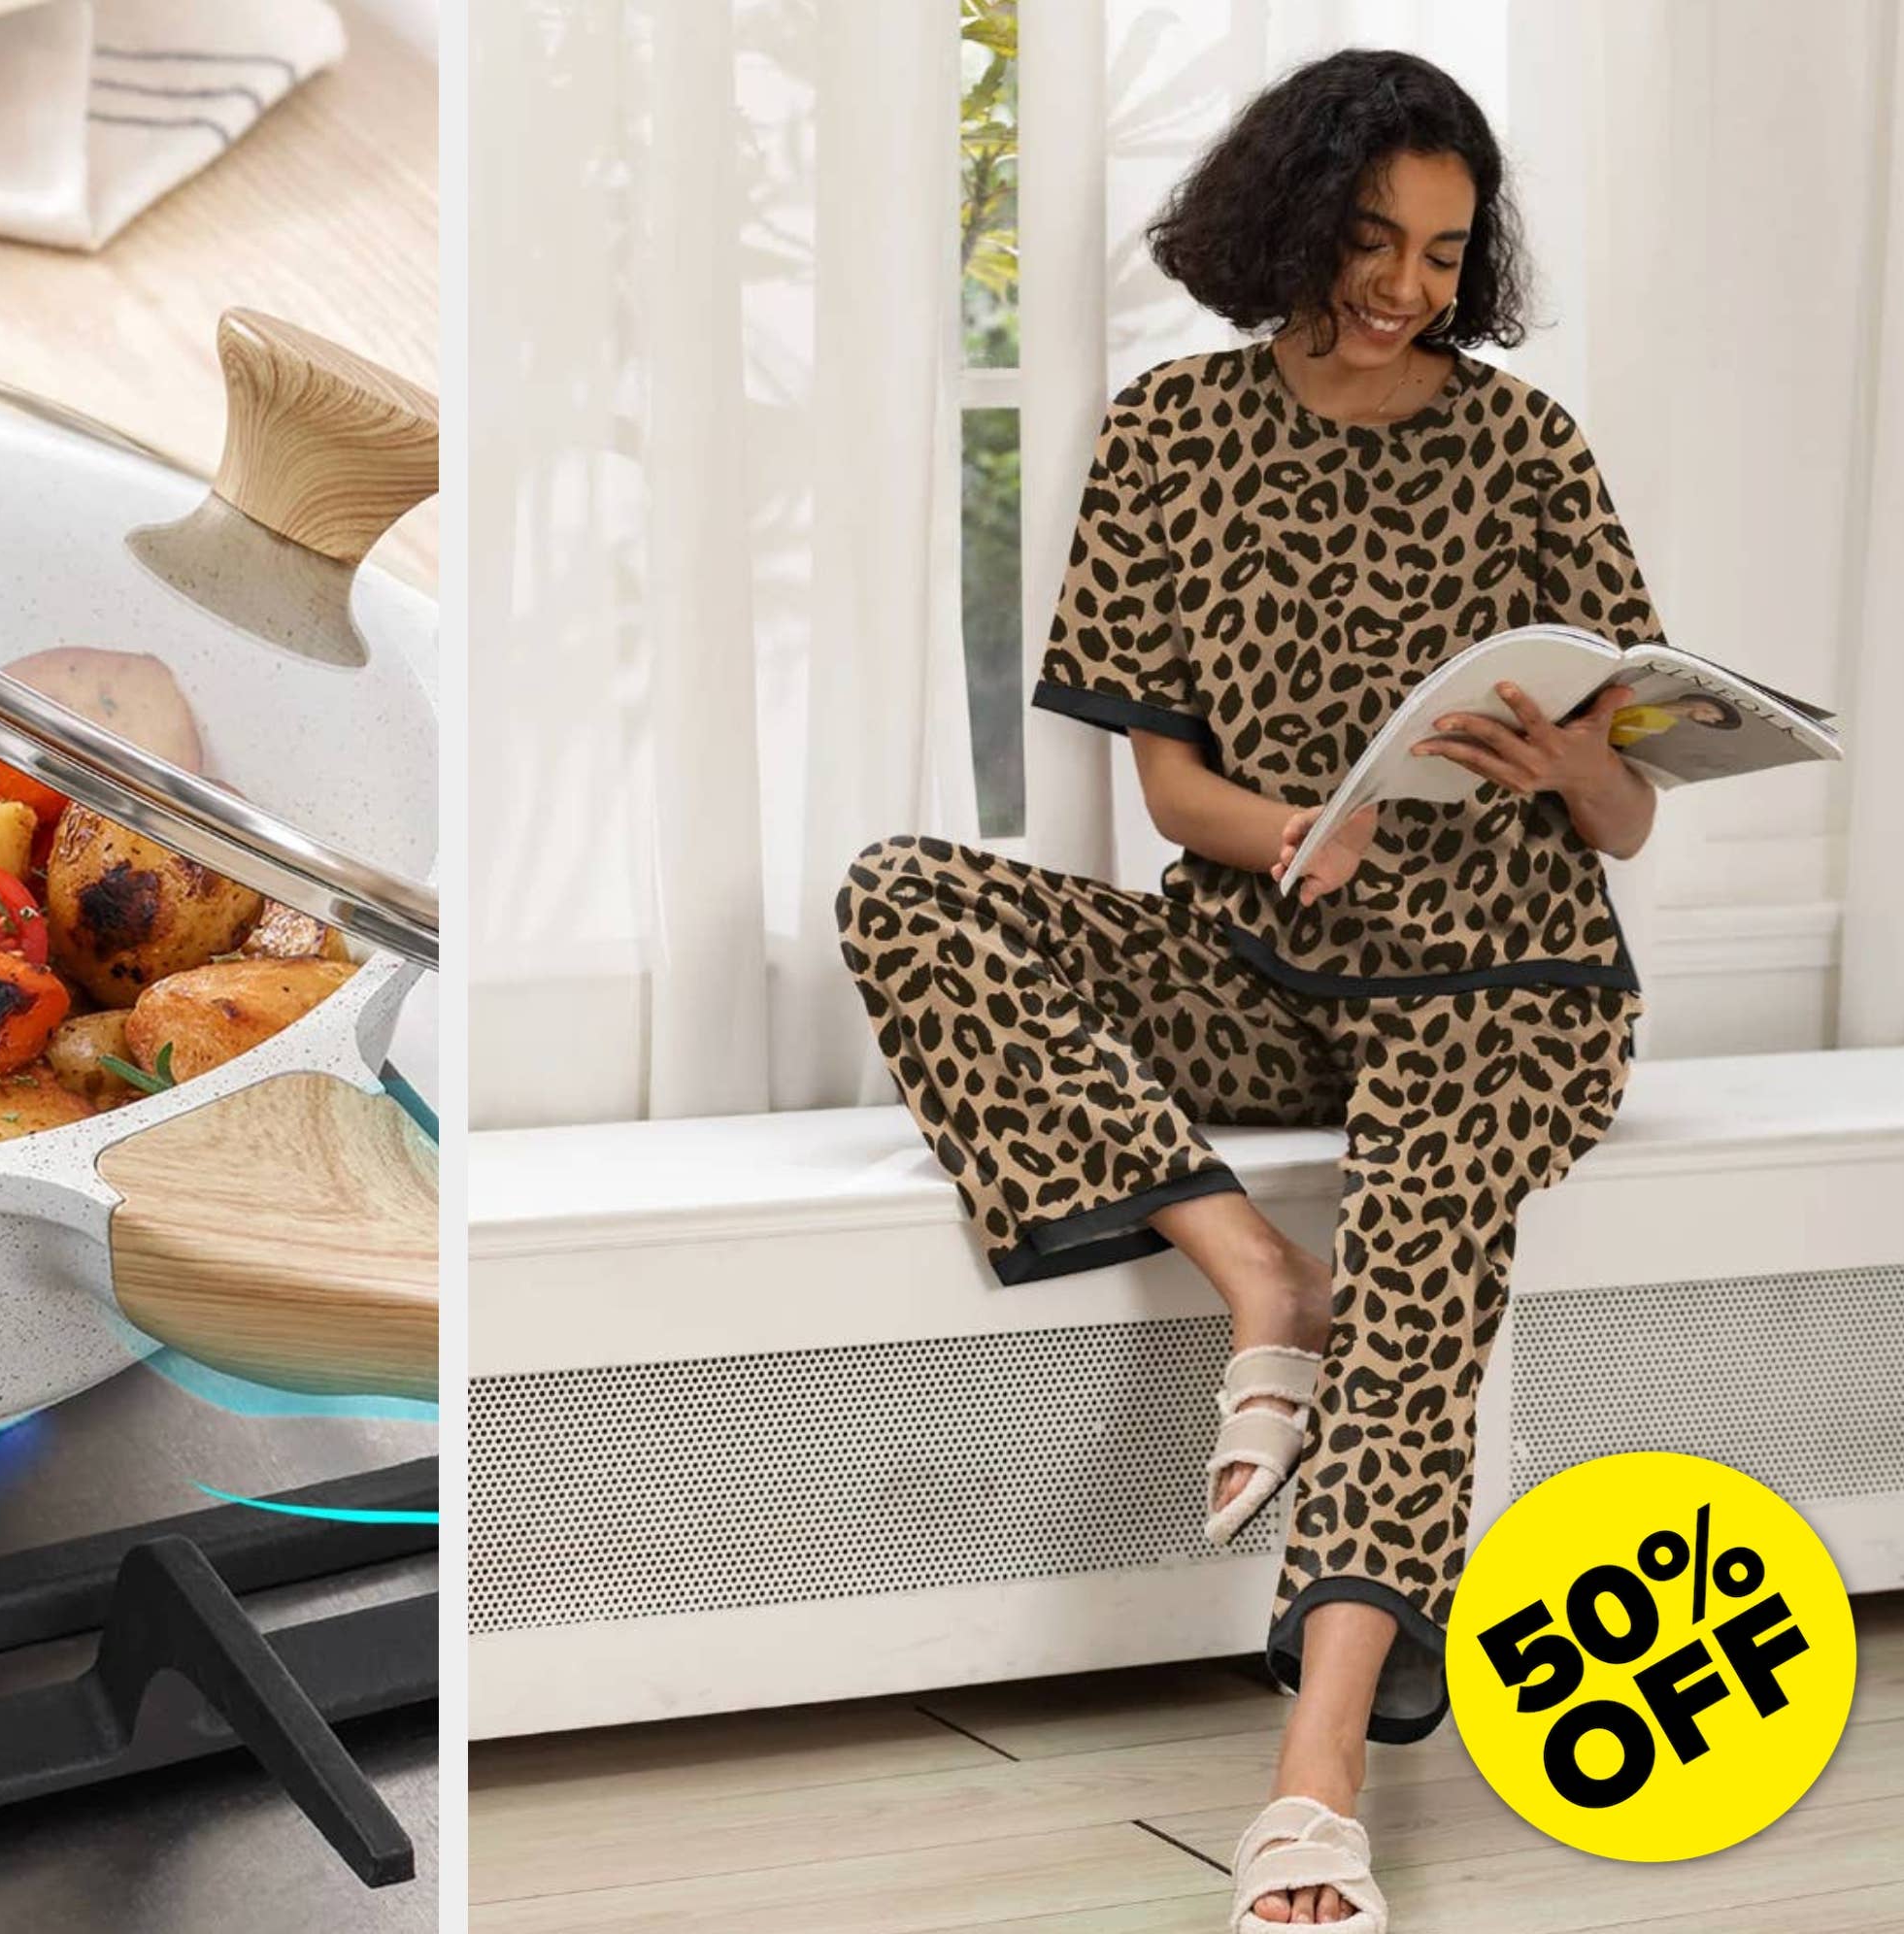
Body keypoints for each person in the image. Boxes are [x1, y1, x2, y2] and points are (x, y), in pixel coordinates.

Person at [838, 49, 1658, 1933]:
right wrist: (1303, 828)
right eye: (1375, 239)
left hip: (1509, 984)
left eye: (1449, 254)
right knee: (905, 895)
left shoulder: (1528, 449)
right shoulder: (1172, 432)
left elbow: (1625, 812)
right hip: (1262, 956)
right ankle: (1254, 1278)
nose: (1407, 287)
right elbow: (1174, 793)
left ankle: (1314, 1785)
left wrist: (1580, 772)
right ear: (1287, 220)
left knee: (1434, 1251)